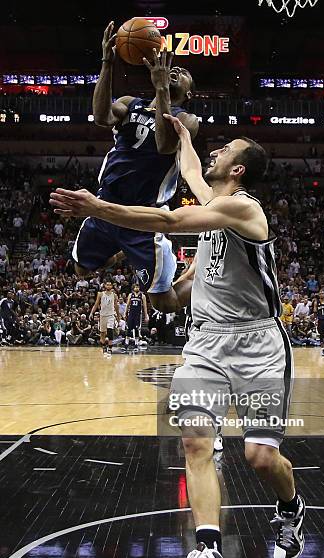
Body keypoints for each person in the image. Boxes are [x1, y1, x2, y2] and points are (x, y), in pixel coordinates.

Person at [51, 115, 306, 558]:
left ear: (239, 172)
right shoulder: (214, 217)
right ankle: (208, 554)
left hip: (258, 347)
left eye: (224, 151)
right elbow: (175, 299)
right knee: (194, 441)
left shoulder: (243, 210)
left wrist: (98, 208)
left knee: (260, 456)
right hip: (206, 343)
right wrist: (161, 277)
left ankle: (290, 509)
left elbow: (169, 218)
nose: (214, 155)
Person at [72, 22, 198, 310]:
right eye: (175, 69)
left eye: (185, 74)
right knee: (81, 270)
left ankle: (201, 270)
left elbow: (165, 145)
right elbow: (101, 116)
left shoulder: (188, 120)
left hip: (144, 217)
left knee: (164, 303)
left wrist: (162, 88)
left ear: (189, 94)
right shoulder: (131, 104)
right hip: (105, 206)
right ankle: (119, 252)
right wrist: (107, 62)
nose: (177, 70)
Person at [89, 281, 121, 354]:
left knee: (110, 331)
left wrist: (118, 317)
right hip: (102, 315)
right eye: (107, 285)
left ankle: (110, 348)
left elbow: (116, 306)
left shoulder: (114, 295)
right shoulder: (100, 294)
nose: (109, 286)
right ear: (105, 286)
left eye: (110, 285)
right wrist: (91, 313)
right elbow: (96, 304)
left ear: (112, 286)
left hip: (111, 315)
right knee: (102, 334)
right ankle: (104, 346)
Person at [124, 284, 149, 350]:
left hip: (138, 314)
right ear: (133, 288)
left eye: (138, 287)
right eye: (135, 287)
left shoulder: (142, 296)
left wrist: (146, 316)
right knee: (129, 328)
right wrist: (125, 313)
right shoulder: (130, 295)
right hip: (131, 314)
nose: (136, 288)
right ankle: (126, 343)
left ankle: (136, 343)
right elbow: (127, 305)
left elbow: (145, 306)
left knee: (137, 329)